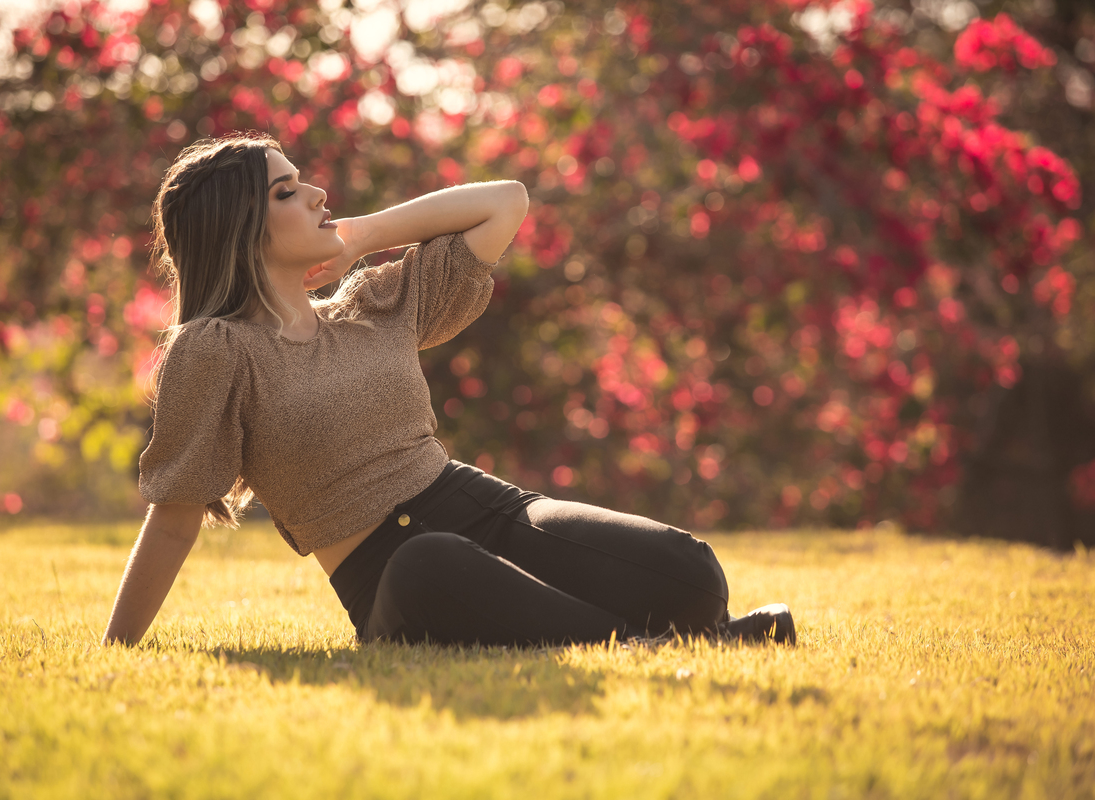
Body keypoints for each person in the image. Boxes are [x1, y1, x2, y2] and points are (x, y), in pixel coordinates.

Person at [101, 132, 795, 648]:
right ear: (238, 227)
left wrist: (362, 235)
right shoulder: (214, 349)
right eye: (286, 191)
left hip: (488, 508)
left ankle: (687, 631)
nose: (317, 195)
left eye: (303, 180)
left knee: (691, 574)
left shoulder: (374, 304)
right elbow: (174, 514)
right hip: (393, 572)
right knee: (434, 563)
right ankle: (654, 647)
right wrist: (116, 651)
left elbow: (504, 204)